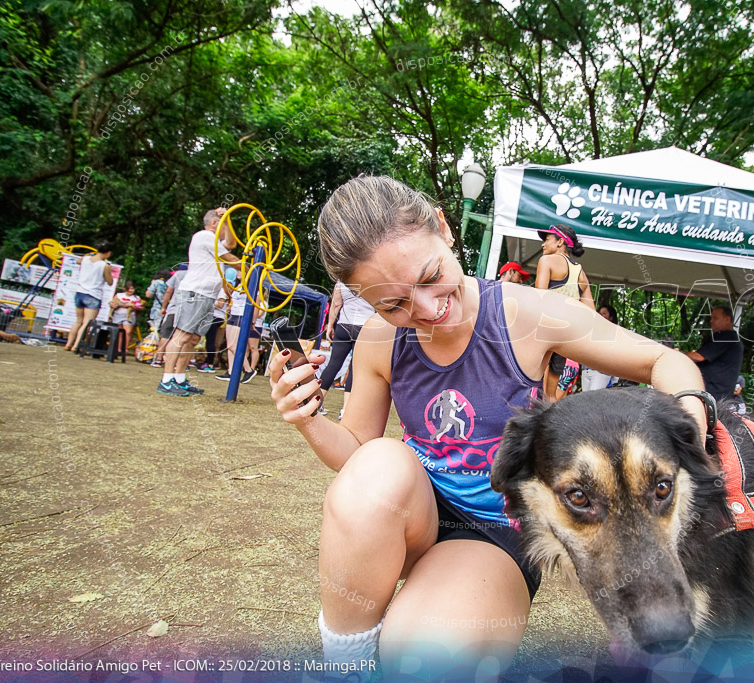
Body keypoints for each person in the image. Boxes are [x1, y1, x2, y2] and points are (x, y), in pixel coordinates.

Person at [267, 176, 708, 680]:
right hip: (416, 513)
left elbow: (662, 361)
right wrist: (307, 418)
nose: (428, 309)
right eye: (394, 304)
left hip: (498, 533)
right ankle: (342, 666)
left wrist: (691, 418)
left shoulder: (530, 314)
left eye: (430, 275)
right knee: (378, 464)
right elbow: (356, 452)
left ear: (443, 226)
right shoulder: (378, 338)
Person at [157, 209, 239, 397]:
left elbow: (232, 243)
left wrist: (228, 219)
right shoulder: (204, 237)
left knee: (193, 339)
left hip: (207, 295)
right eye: (222, 223)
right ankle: (166, 380)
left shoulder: (215, 241)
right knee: (182, 335)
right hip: (195, 292)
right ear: (214, 224)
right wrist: (253, 269)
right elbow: (232, 259)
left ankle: (179, 379)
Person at [534, 224, 595, 401]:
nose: (543, 245)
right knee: (551, 395)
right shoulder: (580, 272)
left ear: (560, 241)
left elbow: (540, 298)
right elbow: (591, 311)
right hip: (564, 336)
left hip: (544, 333)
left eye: (546, 240)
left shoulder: (547, 261)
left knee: (531, 385)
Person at [319, 280, 376, 418]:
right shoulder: (371, 279)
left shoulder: (341, 281)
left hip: (344, 325)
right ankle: (345, 410)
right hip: (364, 326)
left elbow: (336, 304)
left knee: (333, 364)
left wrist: (330, 325)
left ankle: (317, 403)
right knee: (354, 368)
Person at [685, 305, 744, 401]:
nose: (711, 321)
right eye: (711, 318)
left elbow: (699, 357)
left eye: (715, 318)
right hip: (713, 394)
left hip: (713, 394)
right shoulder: (725, 338)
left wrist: (676, 354)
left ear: (727, 319)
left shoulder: (727, 337)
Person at [64, 241, 114, 352]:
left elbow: (78, 261)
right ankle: (76, 345)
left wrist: (88, 256)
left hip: (80, 292)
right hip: (93, 294)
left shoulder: (86, 258)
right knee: (87, 322)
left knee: (78, 321)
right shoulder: (105, 265)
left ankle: (68, 344)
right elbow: (110, 281)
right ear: (108, 253)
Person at [217, 288, 264, 383]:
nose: (238, 273)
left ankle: (248, 369)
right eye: (238, 271)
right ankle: (230, 372)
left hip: (241, 316)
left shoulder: (253, 287)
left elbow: (256, 305)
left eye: (240, 271)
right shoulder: (238, 287)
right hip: (233, 315)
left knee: (234, 346)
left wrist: (253, 321)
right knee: (229, 346)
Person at [152, 266, 185, 368]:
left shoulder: (178, 275)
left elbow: (168, 292)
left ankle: (159, 359)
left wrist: (164, 307)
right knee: (182, 337)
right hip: (188, 312)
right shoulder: (198, 275)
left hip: (174, 309)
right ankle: (177, 363)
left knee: (166, 335)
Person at [581, 304, 620, 391]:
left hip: (600, 371)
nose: (601, 316)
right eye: (599, 313)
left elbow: (615, 354)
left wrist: (615, 377)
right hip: (586, 370)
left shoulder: (614, 333)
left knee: (593, 400)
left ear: (611, 317)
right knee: (584, 401)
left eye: (604, 313)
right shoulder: (592, 330)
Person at [200, 288, 229, 373]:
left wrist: (207, 303)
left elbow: (220, 305)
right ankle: (209, 362)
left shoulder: (222, 291)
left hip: (216, 317)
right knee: (211, 340)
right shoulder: (220, 290)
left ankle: (210, 364)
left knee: (211, 340)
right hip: (216, 317)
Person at [109, 281, 143, 350]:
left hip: (130, 316)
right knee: (119, 332)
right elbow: (112, 303)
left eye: (132, 289)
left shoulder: (136, 298)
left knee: (128, 332)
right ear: (125, 289)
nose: (130, 290)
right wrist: (125, 305)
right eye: (129, 289)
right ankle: (118, 348)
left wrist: (134, 306)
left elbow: (140, 308)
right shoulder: (119, 295)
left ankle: (125, 349)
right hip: (118, 315)